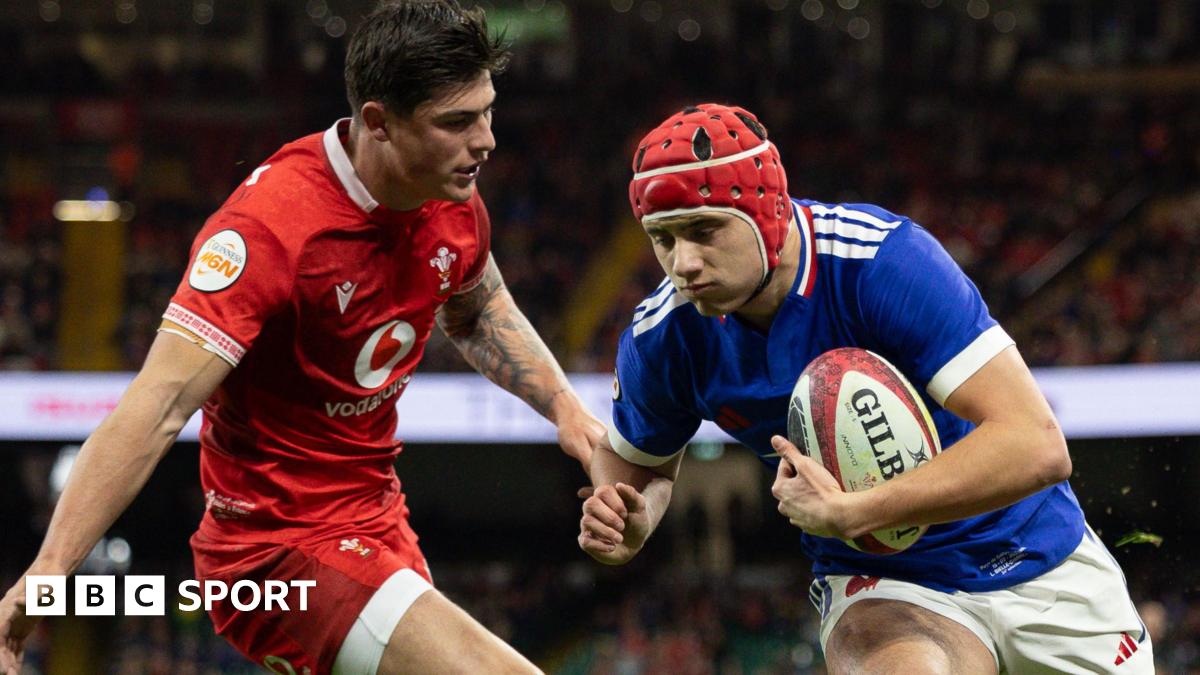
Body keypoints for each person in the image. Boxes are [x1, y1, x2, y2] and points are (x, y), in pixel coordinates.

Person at [0, 2, 604, 673]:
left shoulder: (449, 192)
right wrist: (50, 570)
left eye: (488, 111)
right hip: (274, 550)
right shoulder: (268, 230)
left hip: (377, 522)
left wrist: (569, 414)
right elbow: (158, 405)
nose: (486, 140)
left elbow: (479, 307)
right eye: (457, 122)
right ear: (378, 122)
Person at [577, 103, 1153, 674]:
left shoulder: (882, 259)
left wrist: (856, 512)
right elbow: (634, 468)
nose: (685, 264)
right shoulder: (664, 335)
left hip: (1041, 554)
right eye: (663, 239)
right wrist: (631, 519)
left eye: (704, 231)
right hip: (892, 588)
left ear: (768, 212)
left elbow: (1037, 446)